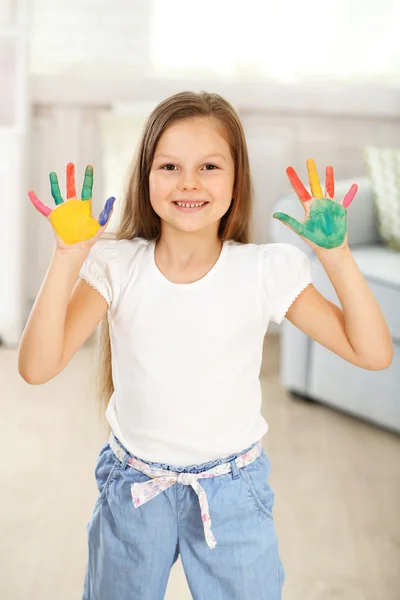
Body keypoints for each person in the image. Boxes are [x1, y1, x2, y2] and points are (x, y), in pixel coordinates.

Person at [18, 91, 393, 600]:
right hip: (133, 489)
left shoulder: (263, 270)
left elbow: (372, 352)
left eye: (209, 166)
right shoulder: (116, 265)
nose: (189, 182)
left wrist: (339, 257)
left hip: (232, 494)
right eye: (169, 165)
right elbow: (37, 368)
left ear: (236, 181)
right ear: (145, 178)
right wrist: (66, 256)